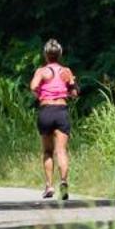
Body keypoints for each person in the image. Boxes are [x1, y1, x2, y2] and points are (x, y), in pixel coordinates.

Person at [29, 39, 78, 200]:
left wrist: (40, 95)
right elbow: (74, 94)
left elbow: (33, 87)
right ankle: (63, 182)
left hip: (46, 111)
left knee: (48, 151)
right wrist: (71, 83)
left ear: (45, 54)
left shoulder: (41, 71)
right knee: (61, 150)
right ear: (60, 54)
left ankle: (49, 186)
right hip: (61, 111)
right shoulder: (66, 71)